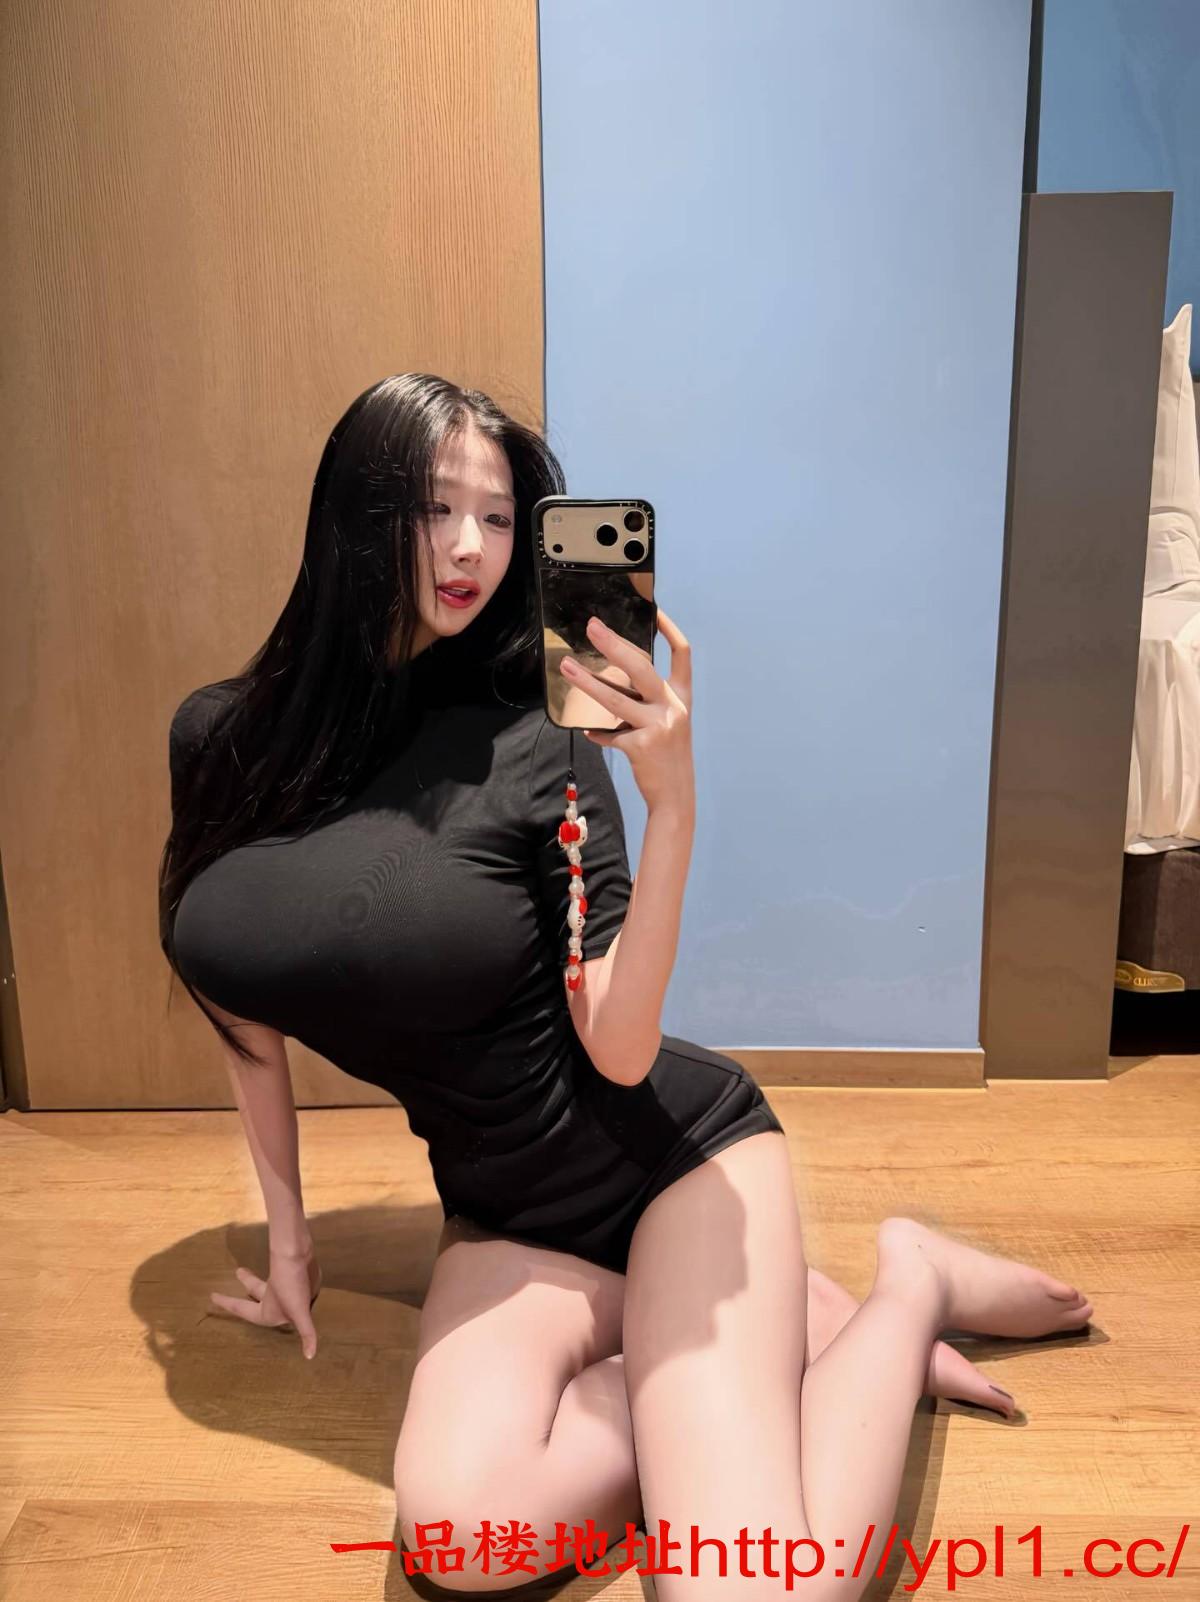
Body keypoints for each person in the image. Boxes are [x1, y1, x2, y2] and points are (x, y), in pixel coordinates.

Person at [159, 374, 1094, 1599]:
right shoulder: (224, 739)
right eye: (435, 508)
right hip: (502, 1214)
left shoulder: (541, 738)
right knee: (459, 1549)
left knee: (751, 1590)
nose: (470, 547)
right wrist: (291, 1246)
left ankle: (908, 1282)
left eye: (500, 517)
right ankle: (741, 1339)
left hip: (671, 1168)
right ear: (353, 512)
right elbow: (245, 1020)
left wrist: (674, 807)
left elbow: (616, 1048)